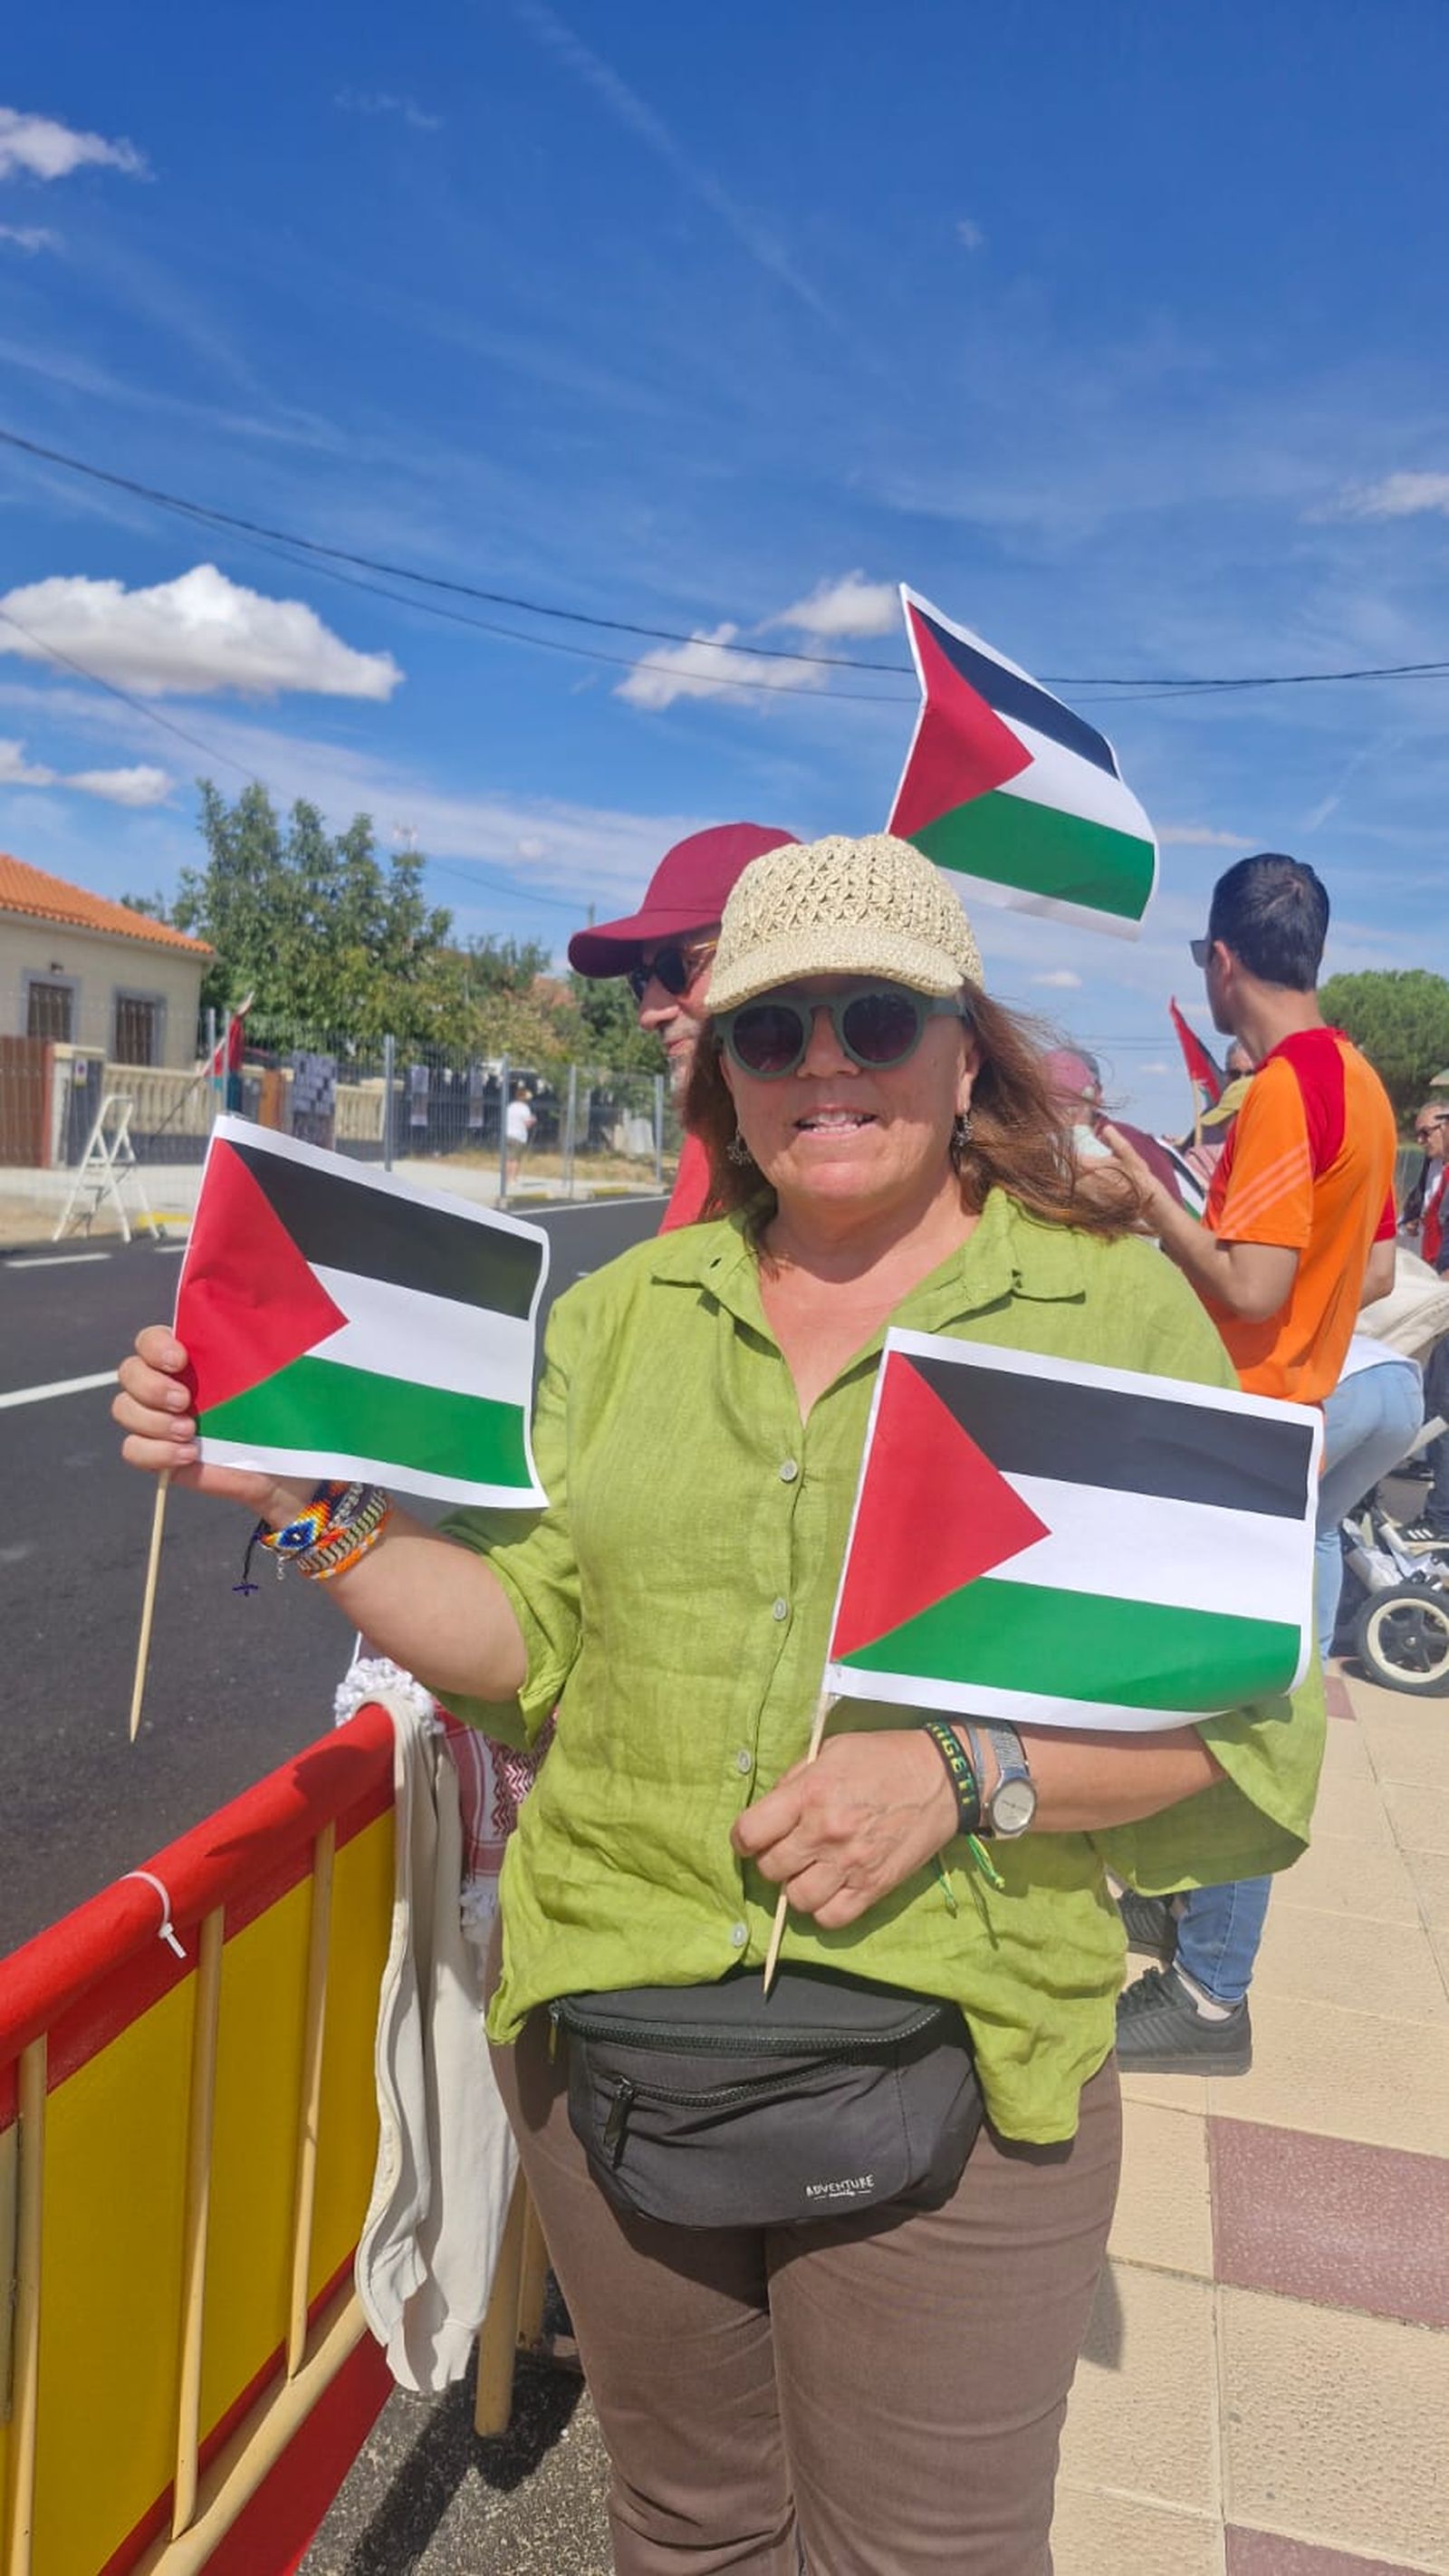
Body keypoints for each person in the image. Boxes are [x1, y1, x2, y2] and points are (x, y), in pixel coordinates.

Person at [115, 833, 1321, 2576]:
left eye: (875, 1014)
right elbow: (523, 1640)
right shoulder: (619, 1321)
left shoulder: (1107, 1312)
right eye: (775, 1031)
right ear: (724, 1078)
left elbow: (1244, 1718)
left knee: (924, 2554)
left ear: (963, 1050)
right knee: (686, 2527)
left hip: (959, 2076)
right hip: (612, 2054)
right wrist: (295, 1499)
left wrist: (966, 1772)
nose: (825, 1058)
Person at [1102, 852, 1396, 2075]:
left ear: (1223, 960)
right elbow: (1371, 1274)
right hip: (1297, 1421)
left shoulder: (1287, 1088)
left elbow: (1248, 1281)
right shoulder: (1367, 1087)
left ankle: (1209, 1998)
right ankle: (1182, 1922)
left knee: (1231, 1717)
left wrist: (1148, 1197)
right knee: (1228, 1698)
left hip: (1249, 1434)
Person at [568, 821, 798, 1227]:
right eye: (640, 982)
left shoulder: (857, 1159)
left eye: (677, 967)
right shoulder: (715, 1126)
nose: (648, 1013)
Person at [504, 1082, 534, 1188]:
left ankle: (507, 1179)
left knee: (508, 1158)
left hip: (507, 1134)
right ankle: (512, 1179)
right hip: (519, 1136)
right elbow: (527, 1124)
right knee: (516, 1159)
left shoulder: (510, 1106)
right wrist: (533, 1120)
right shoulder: (525, 1108)